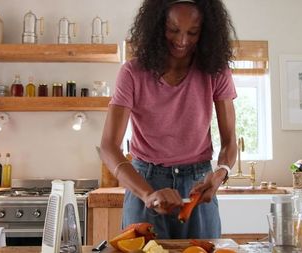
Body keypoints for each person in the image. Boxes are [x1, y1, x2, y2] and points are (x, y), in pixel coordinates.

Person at [100, 0, 238, 239]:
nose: (182, 40)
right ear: (156, 26)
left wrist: (221, 172)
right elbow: (108, 147)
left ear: (205, 32)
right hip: (146, 181)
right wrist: (147, 195)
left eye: (192, 32)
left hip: (197, 183)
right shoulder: (133, 72)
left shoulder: (216, 71)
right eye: (173, 30)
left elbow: (230, 140)